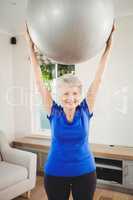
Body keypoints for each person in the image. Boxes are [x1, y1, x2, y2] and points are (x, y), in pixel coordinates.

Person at [26, 24, 115, 200]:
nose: (71, 98)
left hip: (85, 173)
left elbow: (99, 78)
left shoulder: (85, 108)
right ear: (58, 96)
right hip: (55, 173)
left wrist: (109, 46)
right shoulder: (53, 111)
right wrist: (29, 46)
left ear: (79, 94)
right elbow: (38, 81)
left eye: (75, 93)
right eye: (65, 93)